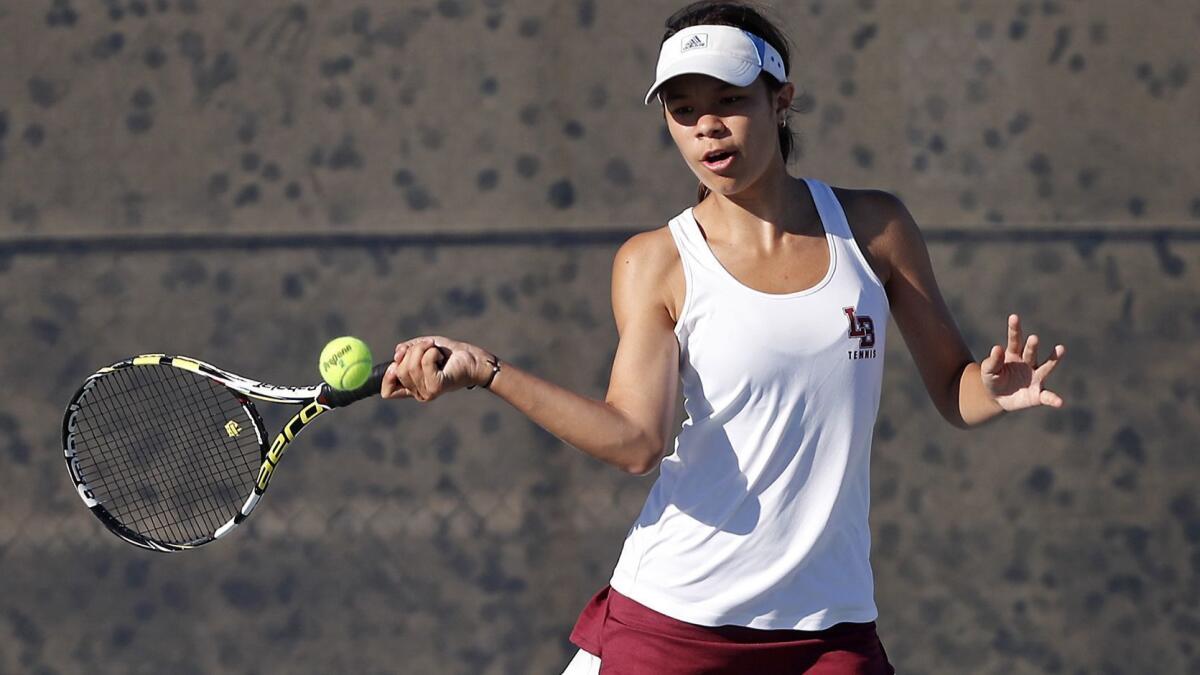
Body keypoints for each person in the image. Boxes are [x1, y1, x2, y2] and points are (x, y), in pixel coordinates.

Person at [381, 2, 1067, 673]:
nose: (708, 126)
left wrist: (992, 389)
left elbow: (955, 390)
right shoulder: (654, 262)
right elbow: (635, 441)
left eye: (730, 100)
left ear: (781, 100)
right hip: (675, 623)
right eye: (683, 111)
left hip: (830, 630)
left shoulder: (876, 229)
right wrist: (489, 370)